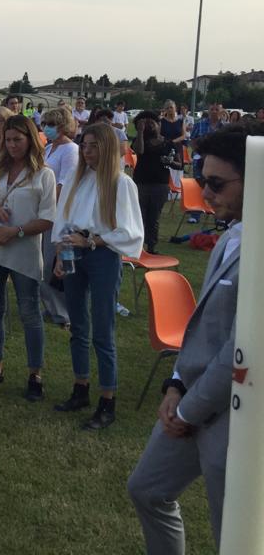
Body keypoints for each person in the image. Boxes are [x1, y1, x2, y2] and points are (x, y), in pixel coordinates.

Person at [128, 120, 257, 554]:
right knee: (146, 488)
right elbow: (204, 326)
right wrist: (176, 383)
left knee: (235, 534)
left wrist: (189, 409)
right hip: (191, 396)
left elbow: (243, 348)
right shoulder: (234, 234)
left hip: (237, 411)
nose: (206, 193)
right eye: (203, 180)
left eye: (217, 183)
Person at [51, 122, 143, 430]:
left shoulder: (121, 184)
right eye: (84, 146)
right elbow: (64, 220)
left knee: (103, 328)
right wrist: (61, 255)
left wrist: (92, 241)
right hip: (74, 251)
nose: (87, 152)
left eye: (93, 146)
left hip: (103, 255)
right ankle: (81, 388)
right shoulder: (77, 179)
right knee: (78, 325)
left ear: (106, 148)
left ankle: (108, 400)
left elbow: (129, 233)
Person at [0, 115, 56, 399]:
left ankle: (35, 374)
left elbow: (47, 220)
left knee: (29, 312)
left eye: (18, 139)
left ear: (31, 139)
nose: (12, 145)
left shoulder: (44, 174)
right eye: (8, 140)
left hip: (23, 250)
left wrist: (16, 231)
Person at [38, 107, 79, 326]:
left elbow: (64, 184)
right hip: (44, 211)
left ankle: (64, 313)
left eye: (50, 125)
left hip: (58, 213)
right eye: (45, 124)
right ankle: (52, 307)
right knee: (44, 263)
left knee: (56, 264)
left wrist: (47, 205)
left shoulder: (71, 150)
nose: (46, 129)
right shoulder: (48, 148)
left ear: (62, 126)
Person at [132, 111, 182, 254]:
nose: (149, 126)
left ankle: (151, 246)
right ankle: (138, 247)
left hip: (160, 184)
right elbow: (139, 151)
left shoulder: (168, 143)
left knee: (154, 217)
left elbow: (180, 165)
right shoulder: (139, 140)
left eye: (151, 123)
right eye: (144, 124)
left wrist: (170, 162)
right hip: (141, 183)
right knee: (139, 216)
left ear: (158, 124)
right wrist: (140, 133)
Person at [160, 100, 186, 198]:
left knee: (178, 166)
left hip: (177, 147)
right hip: (165, 146)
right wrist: (167, 142)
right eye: (167, 108)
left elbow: (184, 135)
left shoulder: (180, 121)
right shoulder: (161, 121)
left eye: (171, 107)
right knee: (167, 166)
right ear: (165, 110)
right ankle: (167, 191)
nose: (170, 110)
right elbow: (158, 135)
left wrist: (174, 141)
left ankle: (177, 192)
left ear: (175, 108)